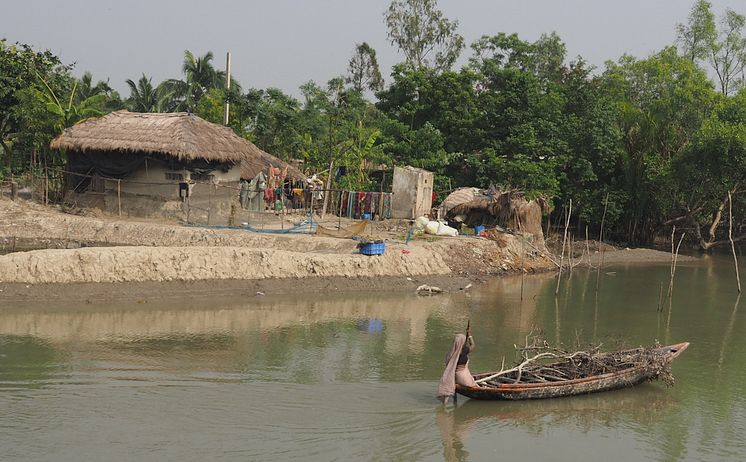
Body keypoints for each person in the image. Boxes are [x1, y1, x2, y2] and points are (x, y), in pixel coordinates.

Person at [437, 327, 477, 404]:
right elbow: (473, 345)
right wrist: (470, 336)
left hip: (452, 376)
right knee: (475, 385)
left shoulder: (450, 353)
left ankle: (450, 403)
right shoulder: (464, 351)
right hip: (462, 376)